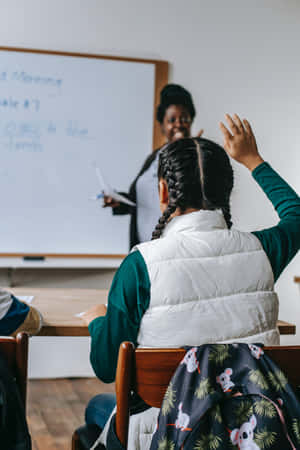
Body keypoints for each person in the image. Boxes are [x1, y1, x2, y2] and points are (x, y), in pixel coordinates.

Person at [82, 114, 300, 447]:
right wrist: (253, 159)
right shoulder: (263, 252)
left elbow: (105, 366)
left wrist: (98, 320)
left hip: (166, 429)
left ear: (163, 191)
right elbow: (296, 215)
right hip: (254, 430)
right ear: (226, 192)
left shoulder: (140, 265)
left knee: (96, 410)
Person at [103, 83, 203, 249]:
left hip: (174, 250)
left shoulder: (197, 157)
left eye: (184, 119)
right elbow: (145, 201)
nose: (178, 124)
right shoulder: (154, 157)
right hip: (144, 248)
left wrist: (193, 152)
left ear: (191, 121)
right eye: (171, 120)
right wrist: (118, 201)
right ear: (162, 126)